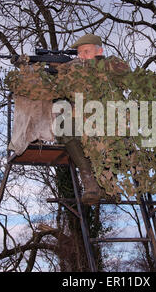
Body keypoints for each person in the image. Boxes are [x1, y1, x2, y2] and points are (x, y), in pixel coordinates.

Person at [59, 33, 106, 205]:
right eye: (79, 53)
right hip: (81, 122)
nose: (81, 57)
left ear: (99, 51)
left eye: (86, 52)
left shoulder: (110, 67)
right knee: (64, 126)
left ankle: (108, 184)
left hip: (106, 121)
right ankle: (90, 183)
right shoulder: (73, 71)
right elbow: (52, 88)